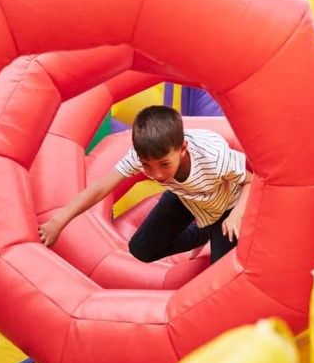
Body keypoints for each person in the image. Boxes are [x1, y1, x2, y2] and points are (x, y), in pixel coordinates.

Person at [40, 105, 250, 266]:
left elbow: (252, 180)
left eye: (164, 164)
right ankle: (201, 235)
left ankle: (212, 231)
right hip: (184, 197)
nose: (157, 174)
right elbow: (100, 189)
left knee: (221, 271)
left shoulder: (213, 156)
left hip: (226, 207)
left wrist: (237, 214)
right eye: (146, 165)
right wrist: (57, 223)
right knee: (141, 250)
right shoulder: (141, 155)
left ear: (182, 148)